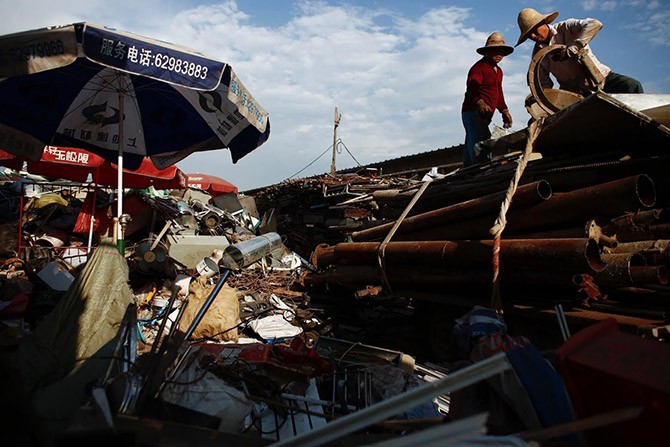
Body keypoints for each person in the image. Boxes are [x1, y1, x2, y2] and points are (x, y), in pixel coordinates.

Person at [515, 8, 643, 95]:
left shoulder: (566, 27)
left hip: (602, 79)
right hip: (575, 93)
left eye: (534, 29)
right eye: (528, 34)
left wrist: (574, 47)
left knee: (632, 86)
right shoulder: (538, 55)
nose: (532, 36)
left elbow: (595, 24)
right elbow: (543, 83)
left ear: (543, 23)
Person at [461, 32, 513, 168]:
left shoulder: (498, 71)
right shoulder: (479, 67)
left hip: (484, 115)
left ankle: (467, 171)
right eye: (495, 50)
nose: (499, 54)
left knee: (472, 145)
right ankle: (479, 172)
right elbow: (472, 87)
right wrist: (480, 102)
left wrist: (504, 110)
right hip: (473, 112)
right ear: (487, 52)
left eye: (501, 51)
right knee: (480, 144)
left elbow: (498, 92)